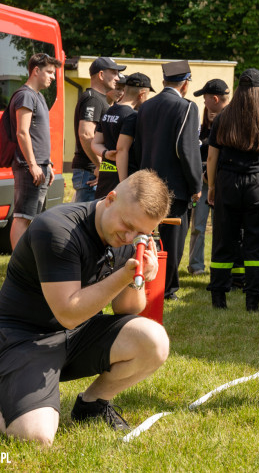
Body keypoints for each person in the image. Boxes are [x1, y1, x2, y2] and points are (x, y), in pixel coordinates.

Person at [0, 171, 172, 445]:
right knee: (36, 436)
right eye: (127, 225)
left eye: (142, 233)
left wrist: (139, 276)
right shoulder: (58, 229)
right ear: (110, 199)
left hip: (77, 335)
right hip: (25, 339)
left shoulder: (126, 237)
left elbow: (128, 309)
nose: (129, 236)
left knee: (154, 341)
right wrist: (124, 275)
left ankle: (92, 404)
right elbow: (68, 313)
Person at [205, 69, 259, 312]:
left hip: (227, 181)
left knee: (223, 239)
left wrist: (212, 186)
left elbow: (211, 157)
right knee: (257, 241)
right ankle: (253, 301)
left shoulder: (222, 117)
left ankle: (219, 298)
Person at [126, 60, 202, 301]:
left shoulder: (146, 107)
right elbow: (187, 150)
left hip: (147, 180)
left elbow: (138, 148)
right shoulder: (187, 107)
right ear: (186, 84)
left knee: (145, 235)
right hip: (174, 186)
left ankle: (141, 277)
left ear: (163, 82)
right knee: (173, 240)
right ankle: (167, 288)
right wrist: (195, 185)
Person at [9, 53, 62, 251]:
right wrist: (33, 165)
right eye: (49, 72)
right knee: (23, 217)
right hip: (28, 168)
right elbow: (22, 132)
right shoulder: (25, 95)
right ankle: (17, 265)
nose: (53, 77)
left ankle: (26, 261)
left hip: (41, 166)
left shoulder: (37, 96)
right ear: (36, 71)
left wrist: (47, 164)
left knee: (33, 217)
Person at [187, 78, 231, 276]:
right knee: (198, 226)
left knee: (223, 227)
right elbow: (196, 154)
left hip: (221, 182)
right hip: (203, 183)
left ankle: (219, 264)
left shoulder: (228, 124)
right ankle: (196, 266)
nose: (205, 106)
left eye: (206, 100)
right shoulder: (200, 131)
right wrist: (203, 173)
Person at [91, 73, 154, 200]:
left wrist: (105, 153)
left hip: (106, 176)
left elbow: (95, 143)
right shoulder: (132, 116)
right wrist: (123, 184)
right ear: (142, 94)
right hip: (122, 177)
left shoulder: (110, 111)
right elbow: (122, 150)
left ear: (124, 90)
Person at [71, 56, 124, 203]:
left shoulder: (99, 99)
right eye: (114, 73)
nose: (118, 78)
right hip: (90, 173)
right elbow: (86, 134)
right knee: (86, 221)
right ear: (101, 75)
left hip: (92, 172)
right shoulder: (92, 99)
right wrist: (100, 166)